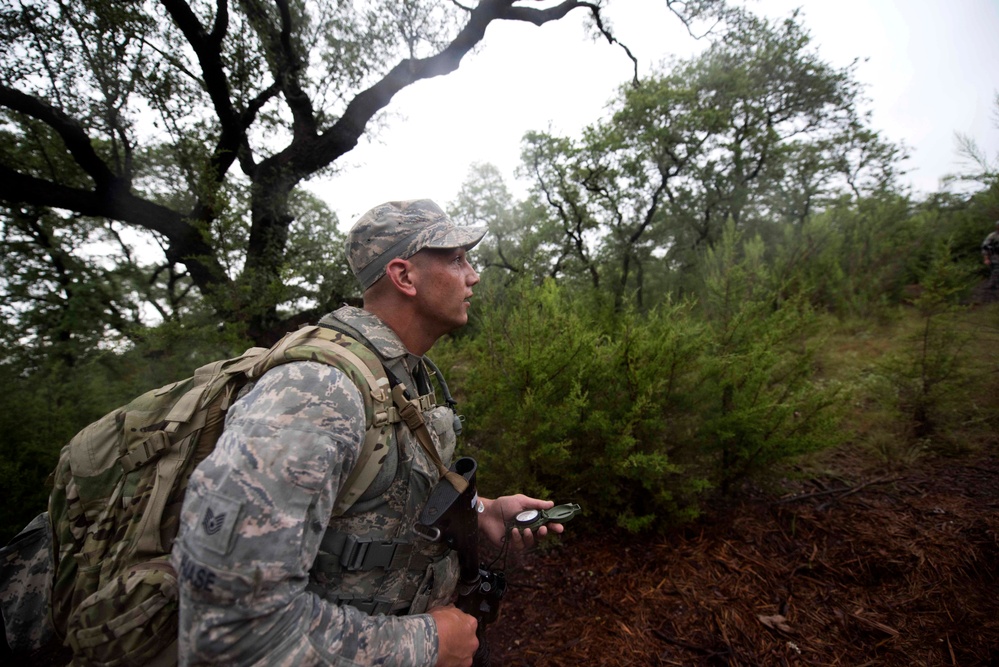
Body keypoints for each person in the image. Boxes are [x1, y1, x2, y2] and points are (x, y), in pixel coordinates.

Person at [170, 199, 562, 667]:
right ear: (404, 276)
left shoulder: (401, 372)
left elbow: (387, 493)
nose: (473, 275)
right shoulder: (315, 395)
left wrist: (482, 512)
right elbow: (227, 630)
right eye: (457, 259)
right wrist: (426, 645)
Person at [982, 220, 999, 291]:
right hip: (995, 256)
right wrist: (986, 258)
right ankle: (992, 286)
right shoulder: (992, 236)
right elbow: (985, 247)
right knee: (996, 271)